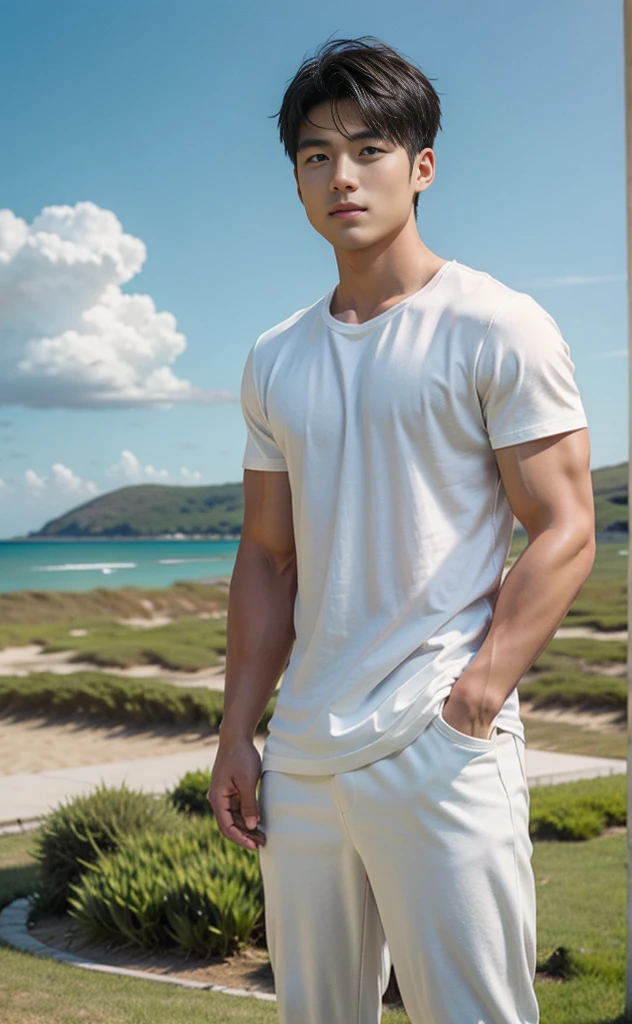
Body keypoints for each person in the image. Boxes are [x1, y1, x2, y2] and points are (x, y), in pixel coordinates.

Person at [208, 35, 596, 1024]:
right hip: (301, 754)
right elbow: (266, 552)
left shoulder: (495, 324)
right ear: (295, 181)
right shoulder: (273, 356)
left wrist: (476, 695)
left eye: (368, 148)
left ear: (420, 167)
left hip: (436, 739)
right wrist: (238, 732)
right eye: (313, 155)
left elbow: (563, 526)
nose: (341, 174)